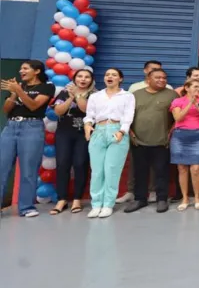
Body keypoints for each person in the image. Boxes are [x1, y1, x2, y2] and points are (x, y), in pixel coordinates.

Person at [0, 60, 55, 217]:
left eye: (25, 68)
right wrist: (13, 94)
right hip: (10, 127)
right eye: (20, 69)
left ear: (36, 71)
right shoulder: (16, 87)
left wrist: (19, 91)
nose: (21, 71)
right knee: (2, 167)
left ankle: (26, 207)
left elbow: (33, 106)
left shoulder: (46, 87)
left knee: (28, 169)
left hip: (32, 128)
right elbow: (6, 110)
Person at [84, 68, 136, 218]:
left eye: (114, 75)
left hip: (117, 130)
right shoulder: (95, 96)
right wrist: (87, 125)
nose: (110, 77)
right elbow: (90, 115)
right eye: (107, 74)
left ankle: (108, 204)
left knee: (112, 170)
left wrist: (122, 131)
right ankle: (96, 204)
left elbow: (128, 115)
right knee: (97, 171)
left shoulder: (127, 96)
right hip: (98, 131)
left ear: (120, 79)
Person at [125, 68, 178, 213]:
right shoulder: (135, 95)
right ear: (148, 80)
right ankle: (140, 199)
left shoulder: (172, 94)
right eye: (158, 78)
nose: (162, 80)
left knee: (162, 172)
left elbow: (179, 117)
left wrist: (171, 132)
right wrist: (130, 132)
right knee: (140, 172)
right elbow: (127, 116)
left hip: (162, 141)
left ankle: (162, 199)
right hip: (138, 141)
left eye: (164, 78)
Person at [51, 69, 95, 214]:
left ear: (91, 80)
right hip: (64, 132)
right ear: (74, 79)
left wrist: (77, 94)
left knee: (80, 163)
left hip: (84, 133)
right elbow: (58, 111)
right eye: (80, 76)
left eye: (87, 77)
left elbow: (86, 109)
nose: (83, 79)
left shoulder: (95, 94)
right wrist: (70, 98)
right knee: (62, 163)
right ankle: (61, 199)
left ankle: (77, 199)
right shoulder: (64, 92)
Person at [169, 80, 199, 211]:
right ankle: (184, 198)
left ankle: (197, 198)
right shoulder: (178, 101)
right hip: (180, 136)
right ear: (187, 88)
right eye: (195, 87)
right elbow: (178, 117)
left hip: (198, 136)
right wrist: (190, 103)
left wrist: (197, 104)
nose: (198, 89)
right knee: (182, 168)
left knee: (196, 168)